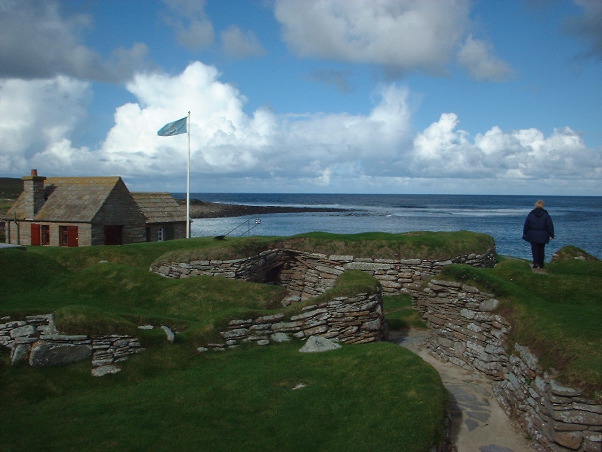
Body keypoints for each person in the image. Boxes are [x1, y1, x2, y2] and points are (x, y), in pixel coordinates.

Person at [523, 200, 555, 268]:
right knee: (541, 249)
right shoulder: (546, 215)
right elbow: (549, 225)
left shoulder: (531, 214)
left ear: (535, 205)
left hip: (533, 234)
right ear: (543, 205)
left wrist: (525, 233)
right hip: (543, 234)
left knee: (534, 249)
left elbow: (526, 224)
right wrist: (551, 234)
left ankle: (535, 263)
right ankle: (541, 264)